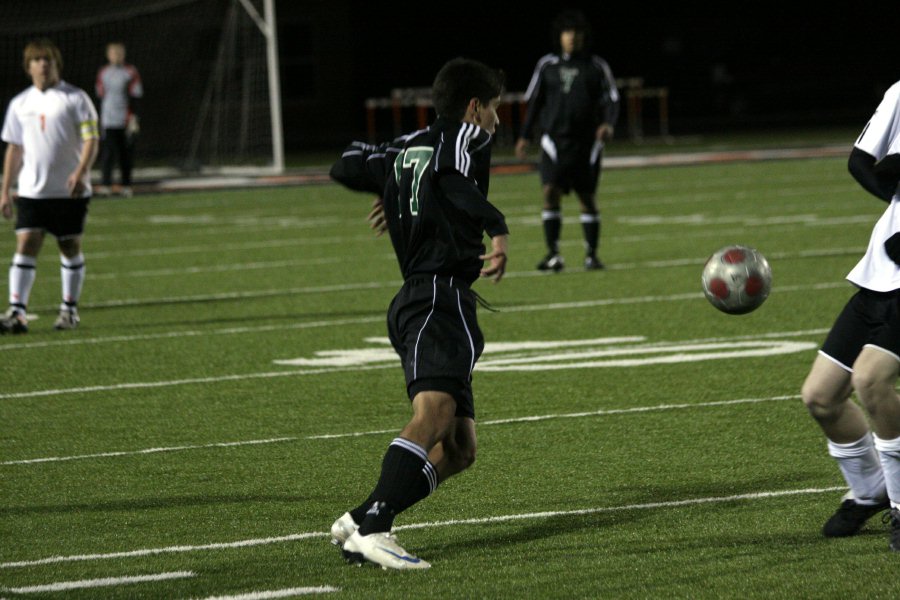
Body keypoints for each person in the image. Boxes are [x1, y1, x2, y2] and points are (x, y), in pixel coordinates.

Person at [327, 57, 508, 569]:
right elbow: (452, 179)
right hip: (436, 297)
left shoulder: (408, 145)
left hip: (428, 299)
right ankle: (378, 525)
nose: (497, 121)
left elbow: (345, 163)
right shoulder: (466, 139)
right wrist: (497, 226)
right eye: (494, 109)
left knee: (460, 448)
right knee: (434, 415)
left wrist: (396, 188)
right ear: (474, 108)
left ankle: (361, 517)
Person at [800, 79, 900, 551]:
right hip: (882, 270)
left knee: (872, 380)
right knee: (820, 397)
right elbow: (862, 162)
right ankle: (870, 490)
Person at [0, 39, 99, 334]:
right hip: (32, 191)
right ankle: (17, 312)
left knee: (69, 246)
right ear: (28, 66)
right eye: (37, 60)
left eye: (48, 60)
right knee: (25, 245)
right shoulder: (20, 104)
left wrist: (81, 172)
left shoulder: (76, 98)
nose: (43, 65)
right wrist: (5, 189)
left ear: (56, 65)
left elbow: (92, 140)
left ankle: (69, 309)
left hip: (68, 191)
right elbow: (14, 149)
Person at [515, 9, 619, 272]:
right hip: (553, 141)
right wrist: (524, 136)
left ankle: (591, 256)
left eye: (576, 32)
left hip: (586, 143)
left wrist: (607, 124)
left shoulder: (596, 66)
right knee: (550, 191)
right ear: (559, 36)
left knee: (587, 197)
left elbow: (612, 100)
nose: (571, 37)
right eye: (567, 32)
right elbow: (534, 102)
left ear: (584, 36)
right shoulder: (547, 66)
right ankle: (553, 254)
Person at [95, 41, 142, 197]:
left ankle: (126, 185)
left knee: (125, 154)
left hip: (125, 119)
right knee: (108, 153)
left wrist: (134, 117)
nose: (116, 56)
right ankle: (106, 185)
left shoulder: (130, 72)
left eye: (119, 53)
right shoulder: (103, 72)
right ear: (108, 55)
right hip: (108, 119)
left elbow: (135, 95)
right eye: (113, 53)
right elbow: (101, 95)